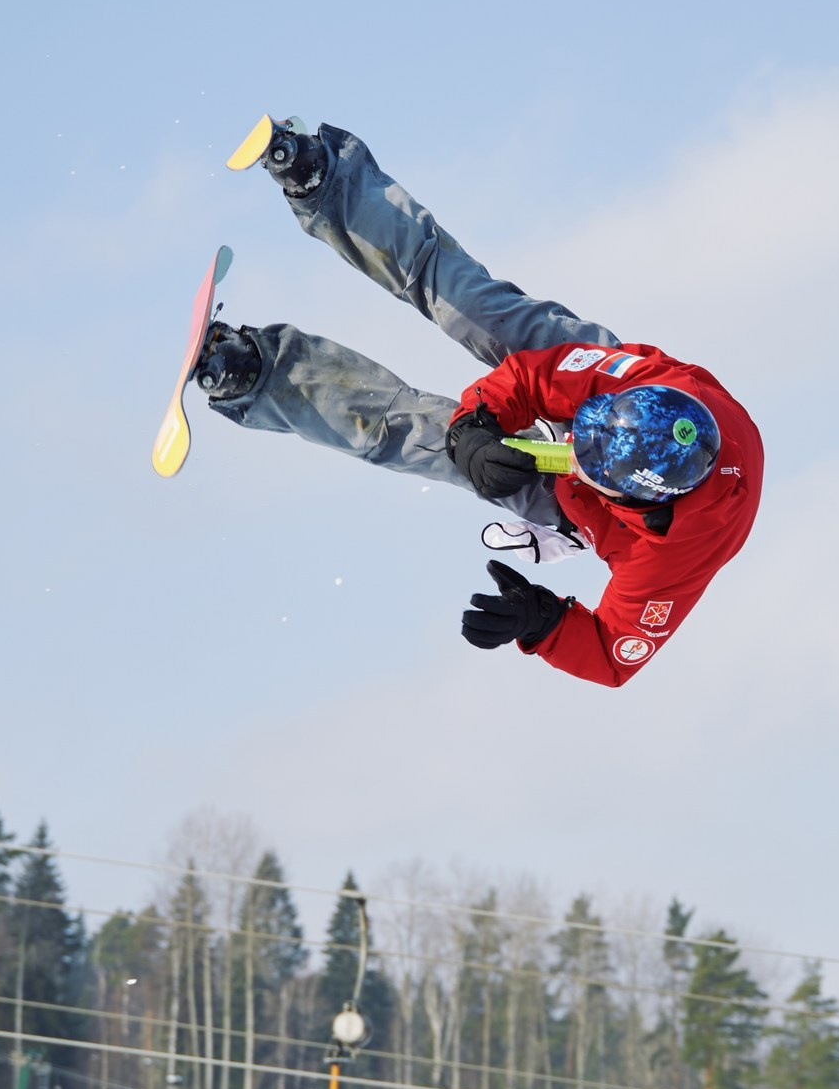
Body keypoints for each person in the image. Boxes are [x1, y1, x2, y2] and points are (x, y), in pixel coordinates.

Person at [189, 118, 764, 686]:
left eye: (585, 456)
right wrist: (477, 426)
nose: (568, 446)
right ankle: (327, 183)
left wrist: (541, 620)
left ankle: (257, 374)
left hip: (585, 512)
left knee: (419, 440)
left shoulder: (667, 560)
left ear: (639, 499)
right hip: (605, 388)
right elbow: (534, 377)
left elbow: (613, 656)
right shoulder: (633, 385)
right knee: (473, 309)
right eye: (579, 434)